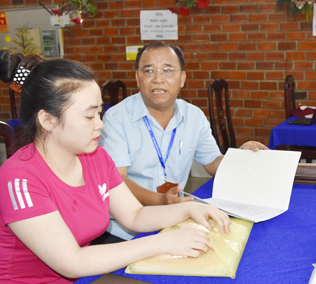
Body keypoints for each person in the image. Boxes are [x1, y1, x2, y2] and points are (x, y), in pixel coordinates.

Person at [0, 51, 231, 284]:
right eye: (89, 117)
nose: (100, 124)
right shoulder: (19, 178)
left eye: (100, 112)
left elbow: (134, 215)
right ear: (48, 120)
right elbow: (72, 261)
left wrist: (190, 210)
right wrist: (163, 242)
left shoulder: (95, 157)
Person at [99, 41, 266, 242]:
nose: (158, 79)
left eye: (167, 70)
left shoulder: (193, 116)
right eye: (149, 71)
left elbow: (212, 163)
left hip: (173, 221)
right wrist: (160, 200)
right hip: (124, 229)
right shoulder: (116, 119)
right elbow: (117, 180)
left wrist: (240, 157)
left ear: (182, 78)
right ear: (137, 77)